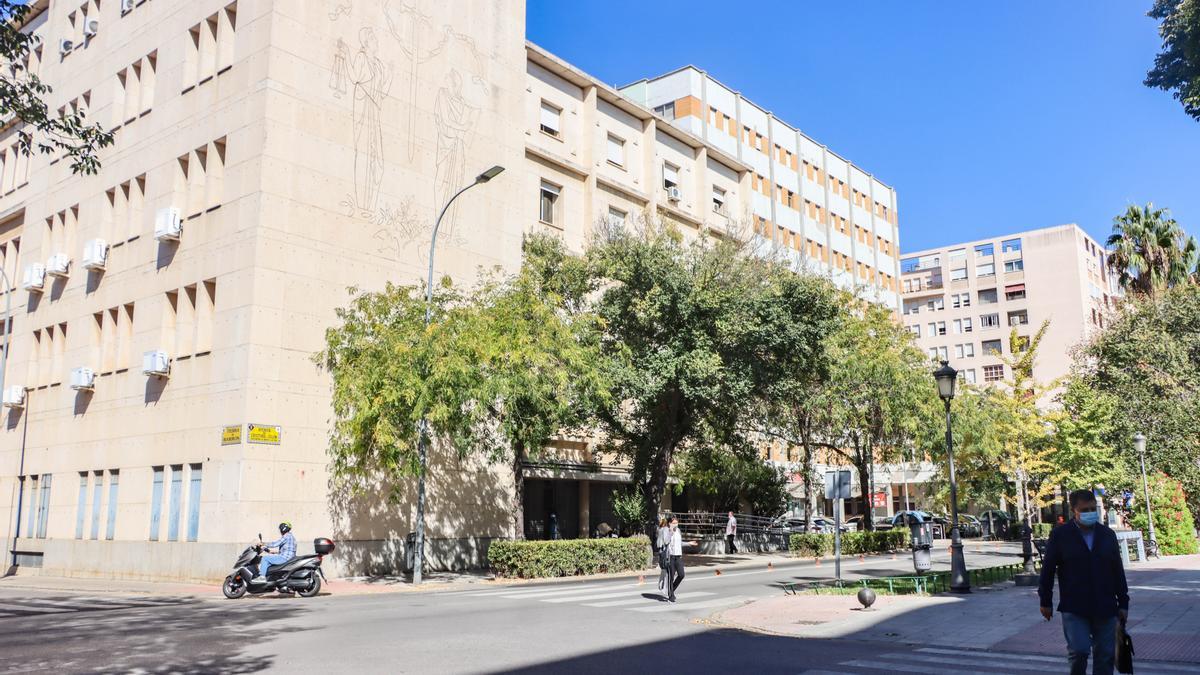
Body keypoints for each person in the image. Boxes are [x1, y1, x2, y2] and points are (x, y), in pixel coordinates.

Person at [1038, 489, 1129, 675]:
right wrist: (1045, 600)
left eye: (1092, 509)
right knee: (1079, 651)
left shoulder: (1107, 535)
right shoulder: (1061, 535)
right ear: (1074, 511)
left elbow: (1117, 570)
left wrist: (1123, 602)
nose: (1090, 513)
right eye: (1084, 509)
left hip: (1105, 605)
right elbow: (1048, 569)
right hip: (1074, 606)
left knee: (1105, 656)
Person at [662, 517, 696, 603]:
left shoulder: (679, 530)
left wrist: (689, 543)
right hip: (670, 557)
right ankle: (671, 595)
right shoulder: (666, 530)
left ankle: (671, 589)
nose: (675, 524)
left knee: (681, 575)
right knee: (671, 577)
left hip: (678, 557)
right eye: (674, 523)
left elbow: (679, 543)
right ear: (670, 523)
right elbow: (665, 542)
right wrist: (670, 532)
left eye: (677, 523)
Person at [656, 518, 671, 591]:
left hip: (660, 550)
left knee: (663, 568)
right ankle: (663, 586)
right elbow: (666, 540)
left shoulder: (659, 529)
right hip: (664, 550)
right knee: (666, 569)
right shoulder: (665, 529)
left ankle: (661, 584)